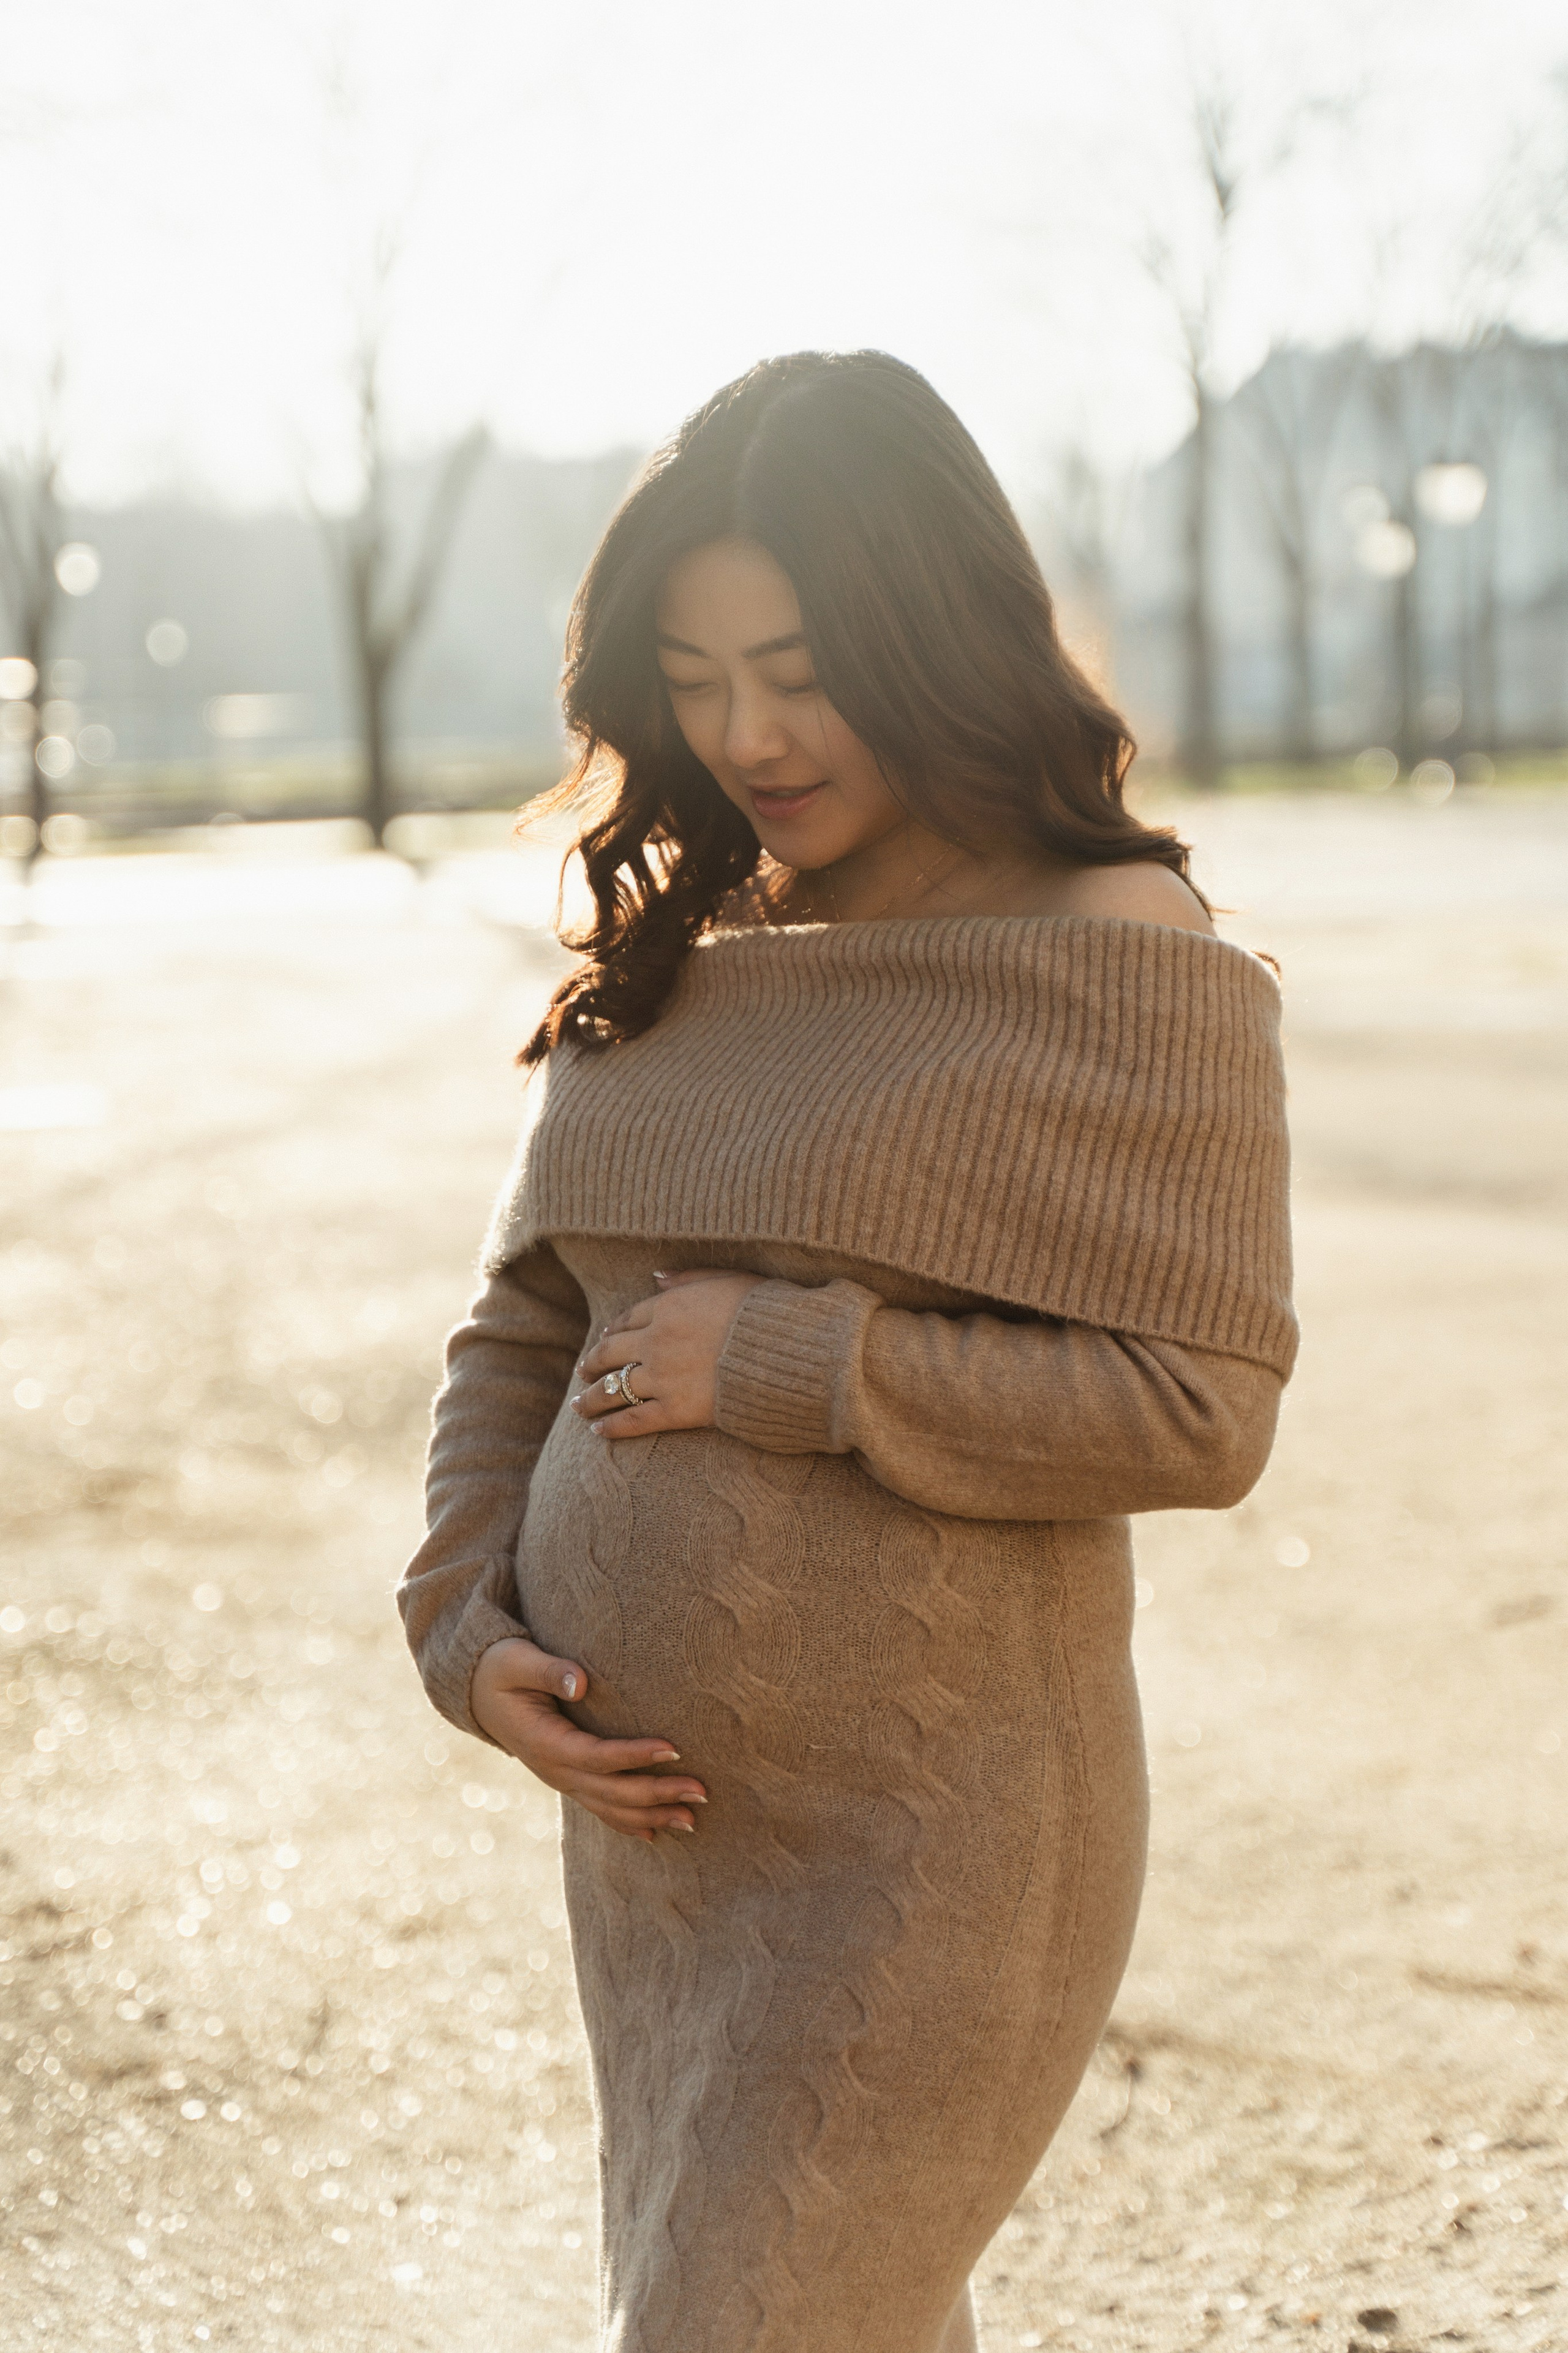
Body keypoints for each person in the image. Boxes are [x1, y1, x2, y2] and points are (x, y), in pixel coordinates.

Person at [398, 349, 1296, 2353]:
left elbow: (1203, 1406)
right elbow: (525, 1317)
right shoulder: (692, 940)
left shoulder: (1123, 947)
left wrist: (809, 1360)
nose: (749, 732)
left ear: (934, 629)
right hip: (663, 1848)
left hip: (935, 1850)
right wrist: (466, 1626)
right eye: (698, 679)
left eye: (800, 665)